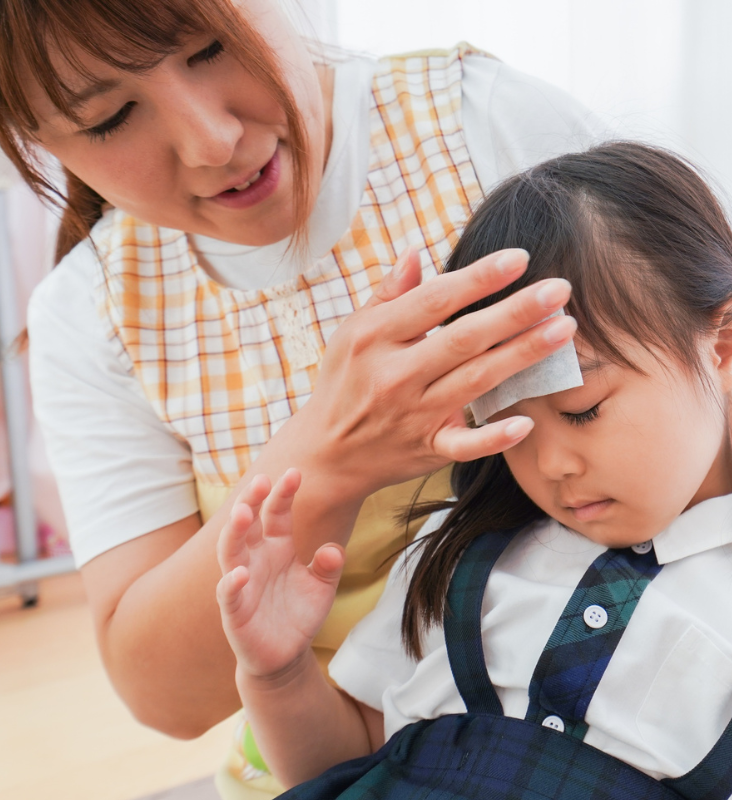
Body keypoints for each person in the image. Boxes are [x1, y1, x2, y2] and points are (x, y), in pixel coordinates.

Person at [0, 1, 602, 796]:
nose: (212, 140)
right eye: (110, 119)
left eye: (213, 47)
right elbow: (163, 693)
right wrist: (326, 460)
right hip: (331, 758)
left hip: (604, 724)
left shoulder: (482, 128)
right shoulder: (98, 311)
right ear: (32, 140)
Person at [217, 142, 732, 799]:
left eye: (580, 411)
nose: (550, 465)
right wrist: (278, 672)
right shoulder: (458, 561)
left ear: (721, 344)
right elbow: (341, 769)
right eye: (508, 426)